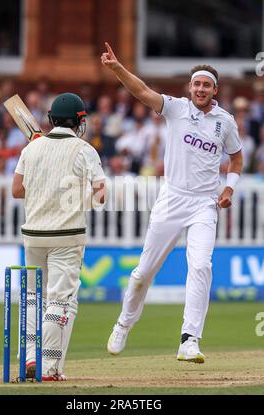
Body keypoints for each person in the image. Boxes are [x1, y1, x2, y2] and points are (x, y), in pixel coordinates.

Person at [101, 42, 243, 363]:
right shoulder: (176, 108)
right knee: (144, 272)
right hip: (172, 199)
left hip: (205, 204)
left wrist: (229, 189)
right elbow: (141, 91)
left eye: (206, 85)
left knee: (201, 266)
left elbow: (236, 158)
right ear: (190, 88)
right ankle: (124, 323)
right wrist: (117, 68)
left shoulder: (226, 122)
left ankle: (189, 339)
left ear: (215, 89)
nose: (201, 89)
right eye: (196, 84)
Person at [12, 92, 107, 380]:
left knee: (31, 298)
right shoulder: (84, 150)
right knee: (60, 301)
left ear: (51, 120)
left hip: (33, 235)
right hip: (67, 236)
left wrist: (46, 188)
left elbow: (17, 191)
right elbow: (101, 195)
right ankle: (48, 366)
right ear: (79, 121)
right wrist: (77, 197)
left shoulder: (32, 149)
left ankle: (29, 358)